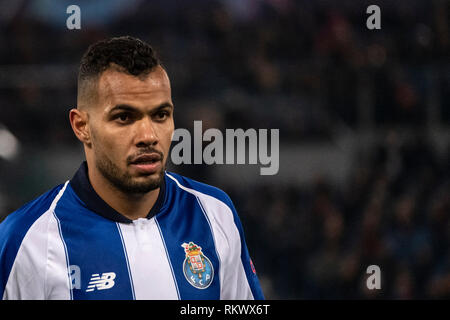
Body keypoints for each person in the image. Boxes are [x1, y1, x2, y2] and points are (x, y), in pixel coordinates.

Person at [0, 36, 264, 300]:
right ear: (82, 127)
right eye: (124, 117)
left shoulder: (215, 212)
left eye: (160, 115)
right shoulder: (26, 240)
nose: (148, 135)